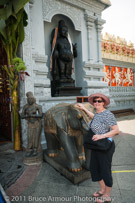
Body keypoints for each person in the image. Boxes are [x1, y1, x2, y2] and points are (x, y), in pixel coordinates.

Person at [77, 93, 119, 203]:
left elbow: (116, 130)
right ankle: (102, 189)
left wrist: (101, 136)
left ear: (104, 103)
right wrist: (84, 109)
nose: (97, 103)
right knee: (94, 168)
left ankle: (107, 195)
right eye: (95, 101)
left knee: (105, 170)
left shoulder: (108, 114)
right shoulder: (97, 113)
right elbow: (94, 117)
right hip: (96, 146)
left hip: (105, 146)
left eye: (99, 101)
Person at [21, 92, 43, 157]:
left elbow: (41, 115)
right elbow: (22, 115)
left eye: (31, 99)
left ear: (33, 99)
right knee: (30, 137)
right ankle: (29, 149)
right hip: (30, 123)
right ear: (27, 100)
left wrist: (34, 115)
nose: (30, 100)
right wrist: (27, 115)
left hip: (37, 123)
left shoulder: (37, 106)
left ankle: (35, 149)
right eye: (29, 99)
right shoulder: (25, 107)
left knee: (36, 137)